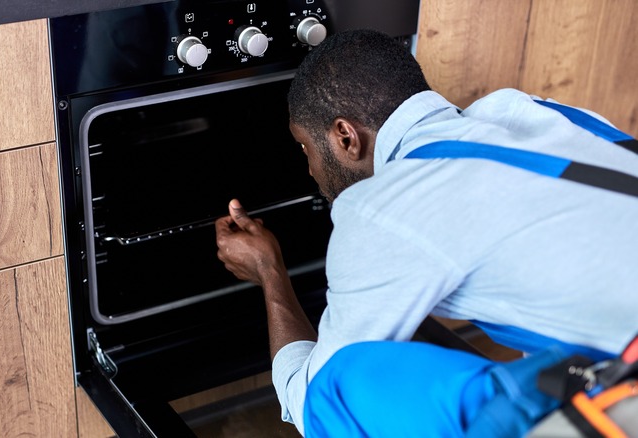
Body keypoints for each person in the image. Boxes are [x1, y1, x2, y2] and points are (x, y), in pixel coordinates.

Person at [214, 29, 638, 436]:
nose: (309, 170)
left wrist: (270, 272)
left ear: (345, 136)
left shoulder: (382, 208)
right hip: (611, 349)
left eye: (305, 149)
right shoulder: (524, 109)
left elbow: (314, 405)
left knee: (341, 385)